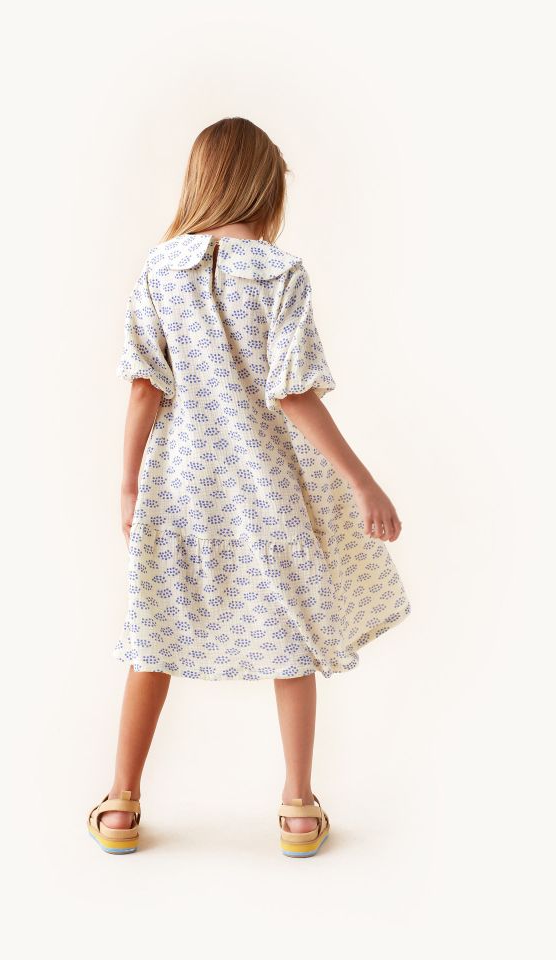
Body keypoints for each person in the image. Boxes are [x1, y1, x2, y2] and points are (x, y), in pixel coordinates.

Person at [87, 117, 411, 858]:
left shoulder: (158, 270)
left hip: (179, 486)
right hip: (266, 485)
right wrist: (363, 483)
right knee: (290, 634)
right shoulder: (278, 272)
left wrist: (129, 485)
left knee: (153, 634)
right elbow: (293, 394)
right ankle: (297, 808)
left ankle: (121, 804)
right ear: (265, 187)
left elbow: (144, 388)